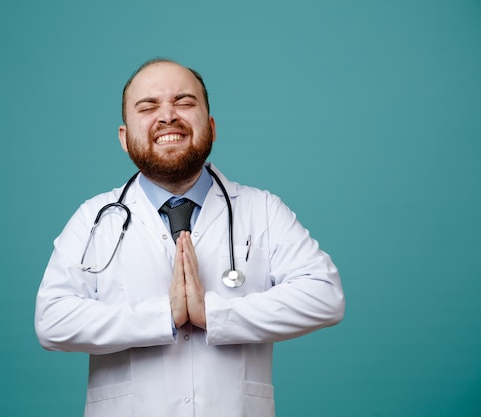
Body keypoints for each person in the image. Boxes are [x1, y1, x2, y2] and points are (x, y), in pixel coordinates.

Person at [34, 58, 345, 417]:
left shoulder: (263, 210)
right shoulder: (94, 219)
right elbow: (52, 321)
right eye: (148, 106)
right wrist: (162, 316)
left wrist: (213, 314)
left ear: (211, 127)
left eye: (184, 102)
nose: (167, 116)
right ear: (124, 137)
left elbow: (325, 295)